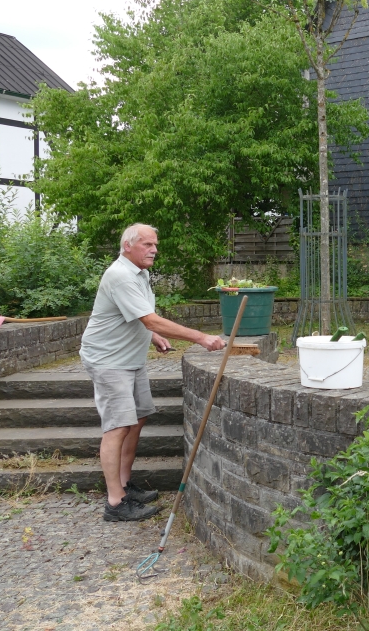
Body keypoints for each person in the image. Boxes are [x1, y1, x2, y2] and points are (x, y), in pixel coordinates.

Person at [81, 223, 226, 521]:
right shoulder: (120, 275)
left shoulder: (140, 274)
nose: (154, 250)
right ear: (127, 246)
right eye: (147, 244)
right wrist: (201, 337)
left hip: (130, 360)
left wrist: (152, 336)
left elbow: (136, 317)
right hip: (109, 361)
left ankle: (124, 486)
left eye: (155, 244)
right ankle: (115, 503)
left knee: (137, 418)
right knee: (117, 426)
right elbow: (151, 319)